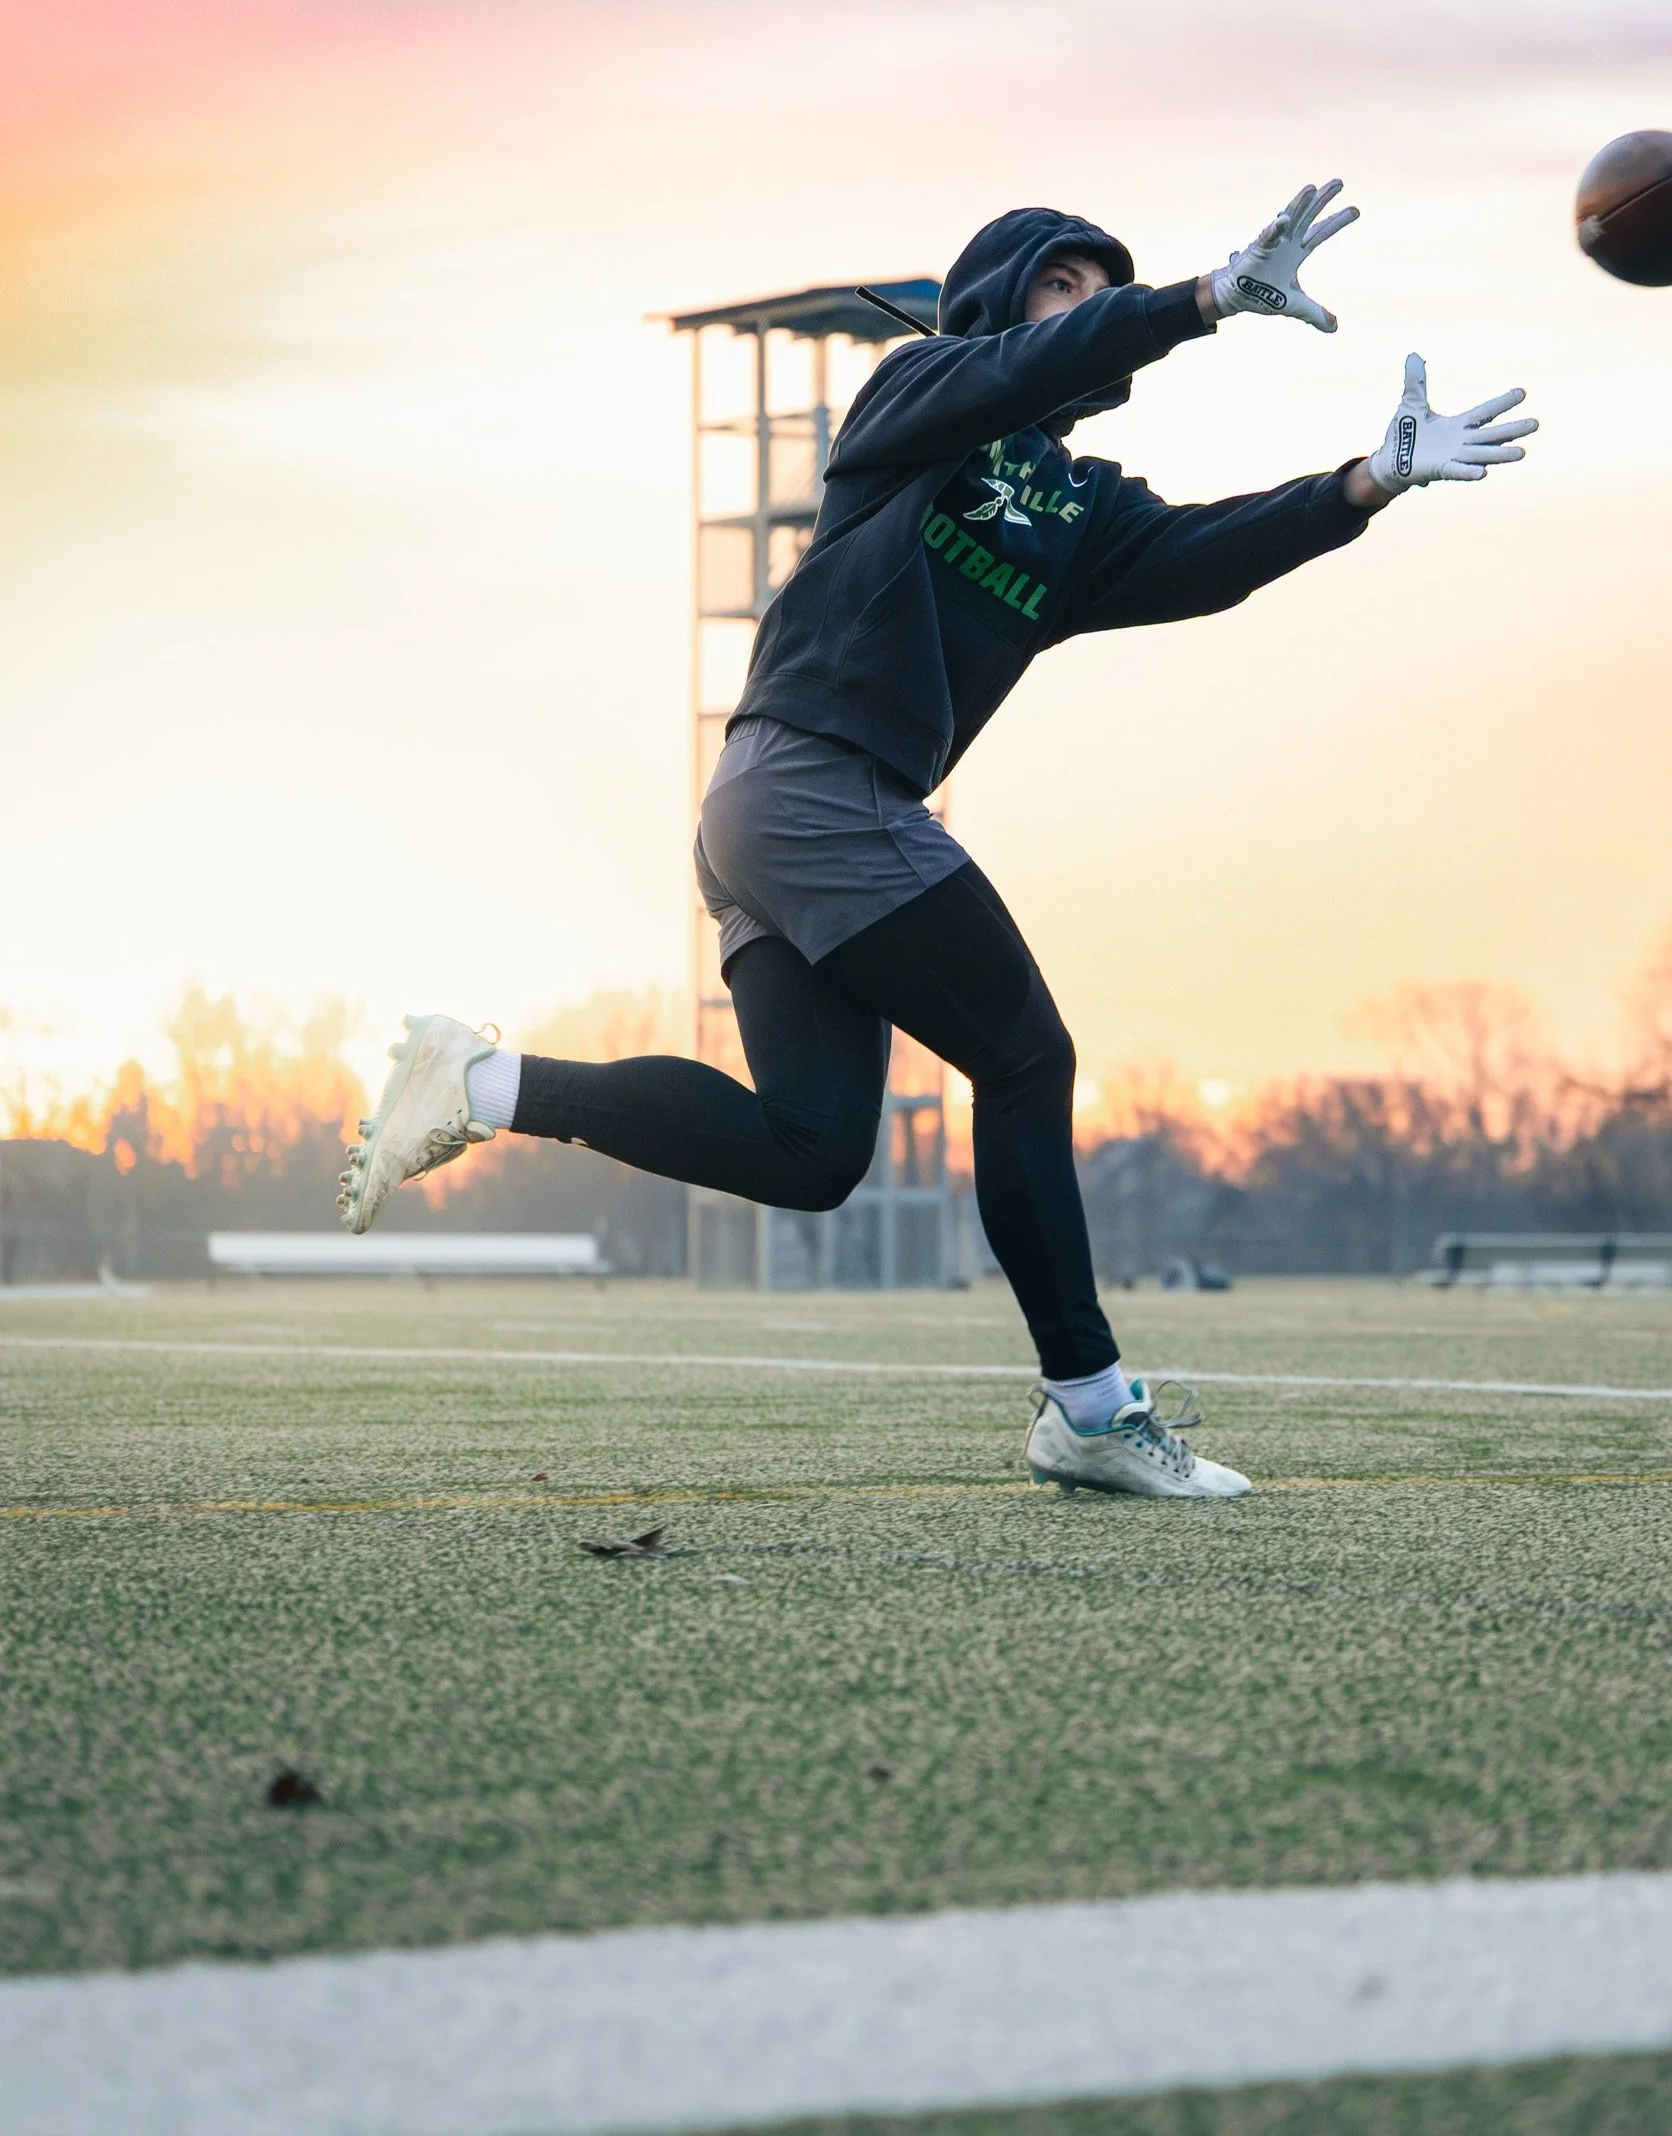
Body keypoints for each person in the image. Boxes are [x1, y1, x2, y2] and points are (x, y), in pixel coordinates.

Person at [338, 183, 1536, 1498]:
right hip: (814, 790)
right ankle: (1086, 1406)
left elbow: (1208, 554)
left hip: (779, 820)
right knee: (1027, 1054)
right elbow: (1028, 367)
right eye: (1062, 286)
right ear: (998, 301)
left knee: (812, 1151)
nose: (1083, 311)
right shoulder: (917, 395)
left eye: (1102, 291)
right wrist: (1194, 300)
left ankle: (482, 1085)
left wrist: (1369, 482)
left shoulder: (1075, 511)